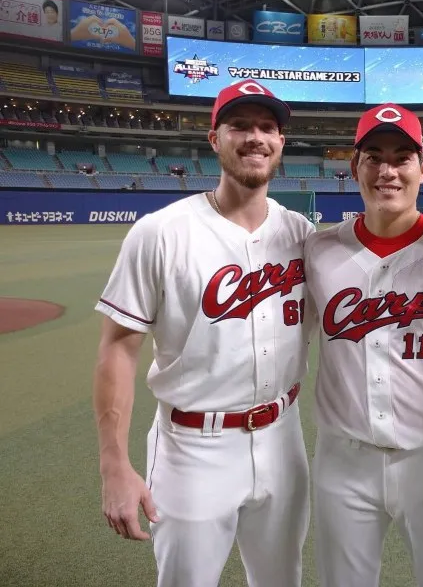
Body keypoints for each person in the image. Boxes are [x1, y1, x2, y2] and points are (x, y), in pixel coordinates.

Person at [91, 80, 315, 587]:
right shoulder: (161, 232)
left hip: (284, 440)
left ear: (281, 143)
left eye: (267, 127)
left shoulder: (300, 233)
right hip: (194, 448)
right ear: (214, 138)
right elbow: (118, 348)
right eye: (240, 125)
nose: (255, 137)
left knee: (283, 579)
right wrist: (113, 466)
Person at [304, 103, 423, 587]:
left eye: (402, 157)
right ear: (355, 167)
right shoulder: (318, 251)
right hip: (341, 460)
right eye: (374, 157)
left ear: (422, 168)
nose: (387, 170)